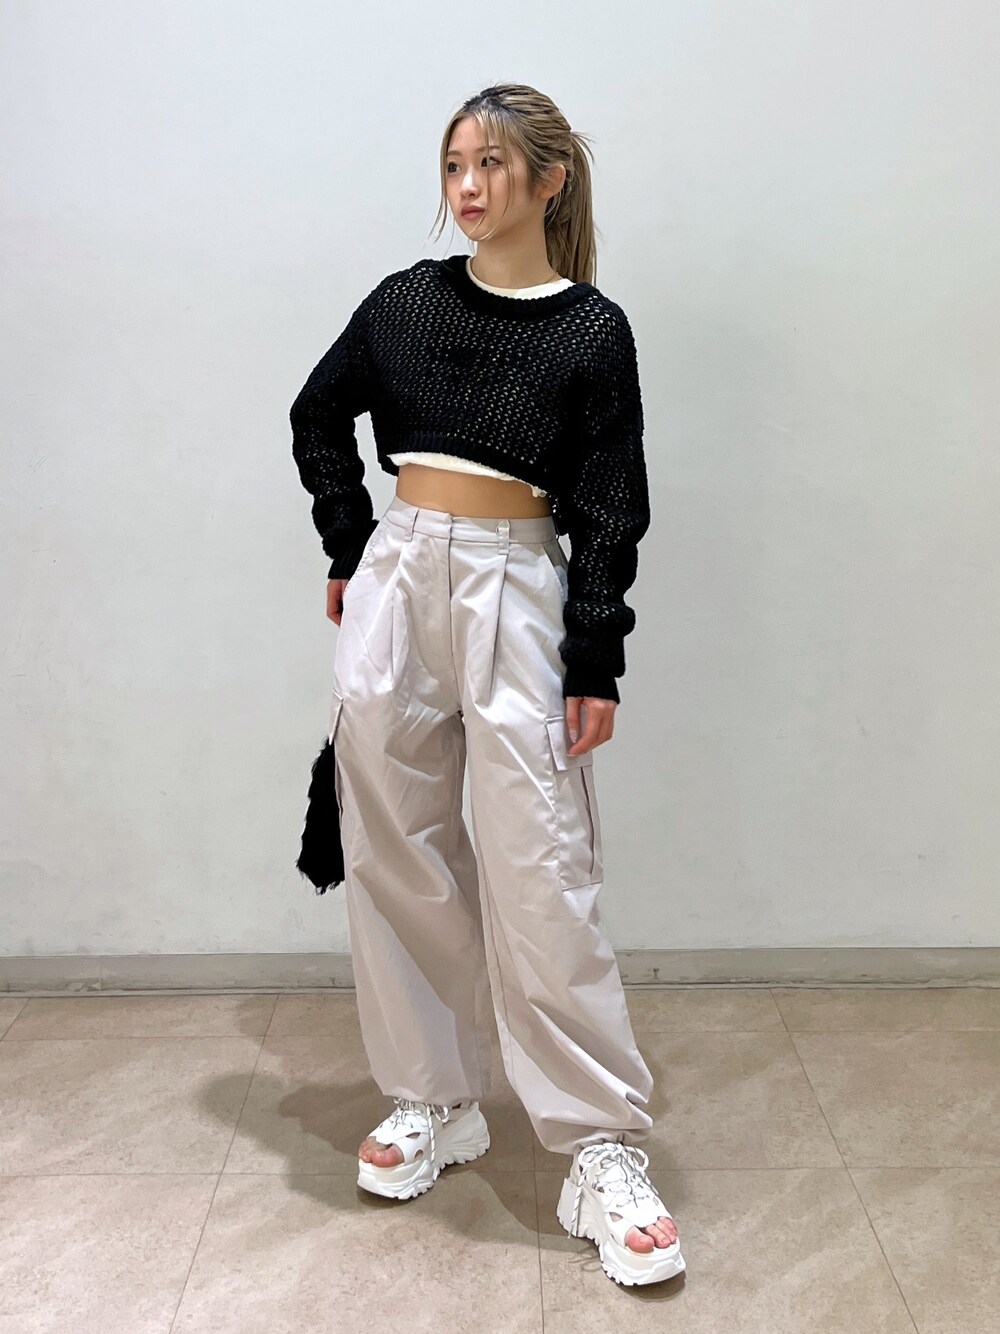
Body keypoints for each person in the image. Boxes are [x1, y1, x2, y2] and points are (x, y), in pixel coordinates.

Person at [290, 83, 685, 1288]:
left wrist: (594, 652)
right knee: (394, 844)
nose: (466, 186)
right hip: (402, 570)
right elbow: (317, 413)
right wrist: (350, 544)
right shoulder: (405, 301)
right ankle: (436, 1095)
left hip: (518, 580)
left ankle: (597, 1142)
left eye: (492, 165)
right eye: (454, 164)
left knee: (540, 864)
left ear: (548, 179)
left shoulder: (590, 329)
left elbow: (610, 499)